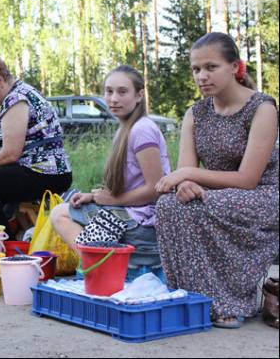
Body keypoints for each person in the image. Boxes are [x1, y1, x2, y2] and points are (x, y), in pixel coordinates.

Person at [154, 32, 279, 329]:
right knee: (168, 206)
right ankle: (194, 298)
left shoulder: (262, 108)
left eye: (211, 67)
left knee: (204, 203)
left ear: (235, 67)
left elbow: (248, 179)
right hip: (217, 194)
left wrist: (188, 175)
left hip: (264, 195)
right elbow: (186, 172)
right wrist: (184, 183)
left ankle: (228, 304)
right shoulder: (195, 113)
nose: (202, 76)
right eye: (196, 69)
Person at [50, 65, 170, 269]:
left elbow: (155, 189)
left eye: (123, 92)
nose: (114, 98)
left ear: (139, 95)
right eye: (109, 91)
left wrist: (111, 199)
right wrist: (93, 196)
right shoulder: (126, 129)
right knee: (73, 204)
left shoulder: (142, 130)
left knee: (60, 213)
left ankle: (103, 267)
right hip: (133, 216)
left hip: (145, 226)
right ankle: (106, 260)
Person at [0, 56, 73, 237]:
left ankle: (0, 245)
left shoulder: (16, 99)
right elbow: (2, 150)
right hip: (41, 170)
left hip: (46, 173)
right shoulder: (21, 93)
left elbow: (10, 154)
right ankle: (11, 238)